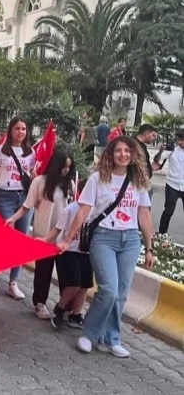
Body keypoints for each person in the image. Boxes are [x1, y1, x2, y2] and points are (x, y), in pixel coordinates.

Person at [58, 136, 154, 357]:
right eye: (118, 150)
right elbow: (83, 211)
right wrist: (67, 238)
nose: (123, 154)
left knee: (120, 294)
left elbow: (144, 215)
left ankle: (110, 339)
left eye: (127, 151)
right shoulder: (97, 179)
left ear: (133, 154)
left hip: (130, 240)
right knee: (109, 290)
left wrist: (149, 248)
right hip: (103, 238)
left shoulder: (139, 180)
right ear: (110, 154)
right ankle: (89, 335)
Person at [4, 149, 74, 318]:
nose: (65, 170)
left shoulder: (69, 185)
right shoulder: (39, 182)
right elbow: (27, 206)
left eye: (68, 168)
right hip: (43, 235)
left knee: (67, 274)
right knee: (43, 273)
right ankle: (39, 304)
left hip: (63, 237)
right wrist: (13, 218)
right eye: (63, 167)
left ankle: (65, 307)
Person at [0, 117, 36, 300]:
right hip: (5, 196)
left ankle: (13, 282)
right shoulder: (0, 151)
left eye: (23, 129)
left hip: (25, 198)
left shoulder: (31, 152)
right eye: (17, 128)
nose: (21, 132)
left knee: (21, 240)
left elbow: (31, 175)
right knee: (4, 236)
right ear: (10, 130)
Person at [43, 178, 91, 330]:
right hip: (69, 251)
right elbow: (58, 228)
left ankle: (75, 315)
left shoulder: (97, 210)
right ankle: (60, 307)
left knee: (84, 285)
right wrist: (45, 239)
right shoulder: (70, 209)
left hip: (86, 251)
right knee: (74, 284)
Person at [158, 129, 184, 235]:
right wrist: (160, 151)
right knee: (168, 211)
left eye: (182, 140)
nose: (180, 142)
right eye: (179, 139)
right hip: (172, 185)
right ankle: (162, 233)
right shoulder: (172, 150)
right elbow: (157, 161)